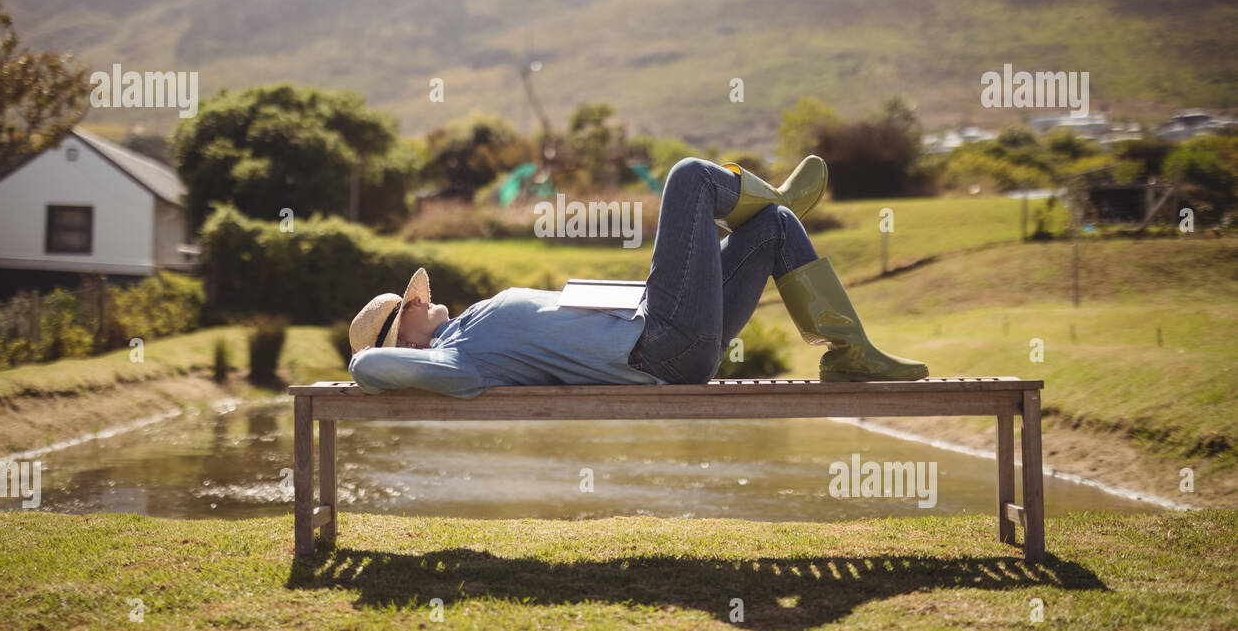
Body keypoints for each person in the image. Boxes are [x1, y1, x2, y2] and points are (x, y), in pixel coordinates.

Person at [348, 156, 928, 399]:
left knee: (772, 229)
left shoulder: (465, 331)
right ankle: (771, 196)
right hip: (663, 346)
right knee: (686, 178)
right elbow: (370, 366)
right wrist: (365, 358)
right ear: (406, 337)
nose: (423, 300)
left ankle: (849, 351)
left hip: (663, 325)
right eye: (411, 306)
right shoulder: (456, 361)